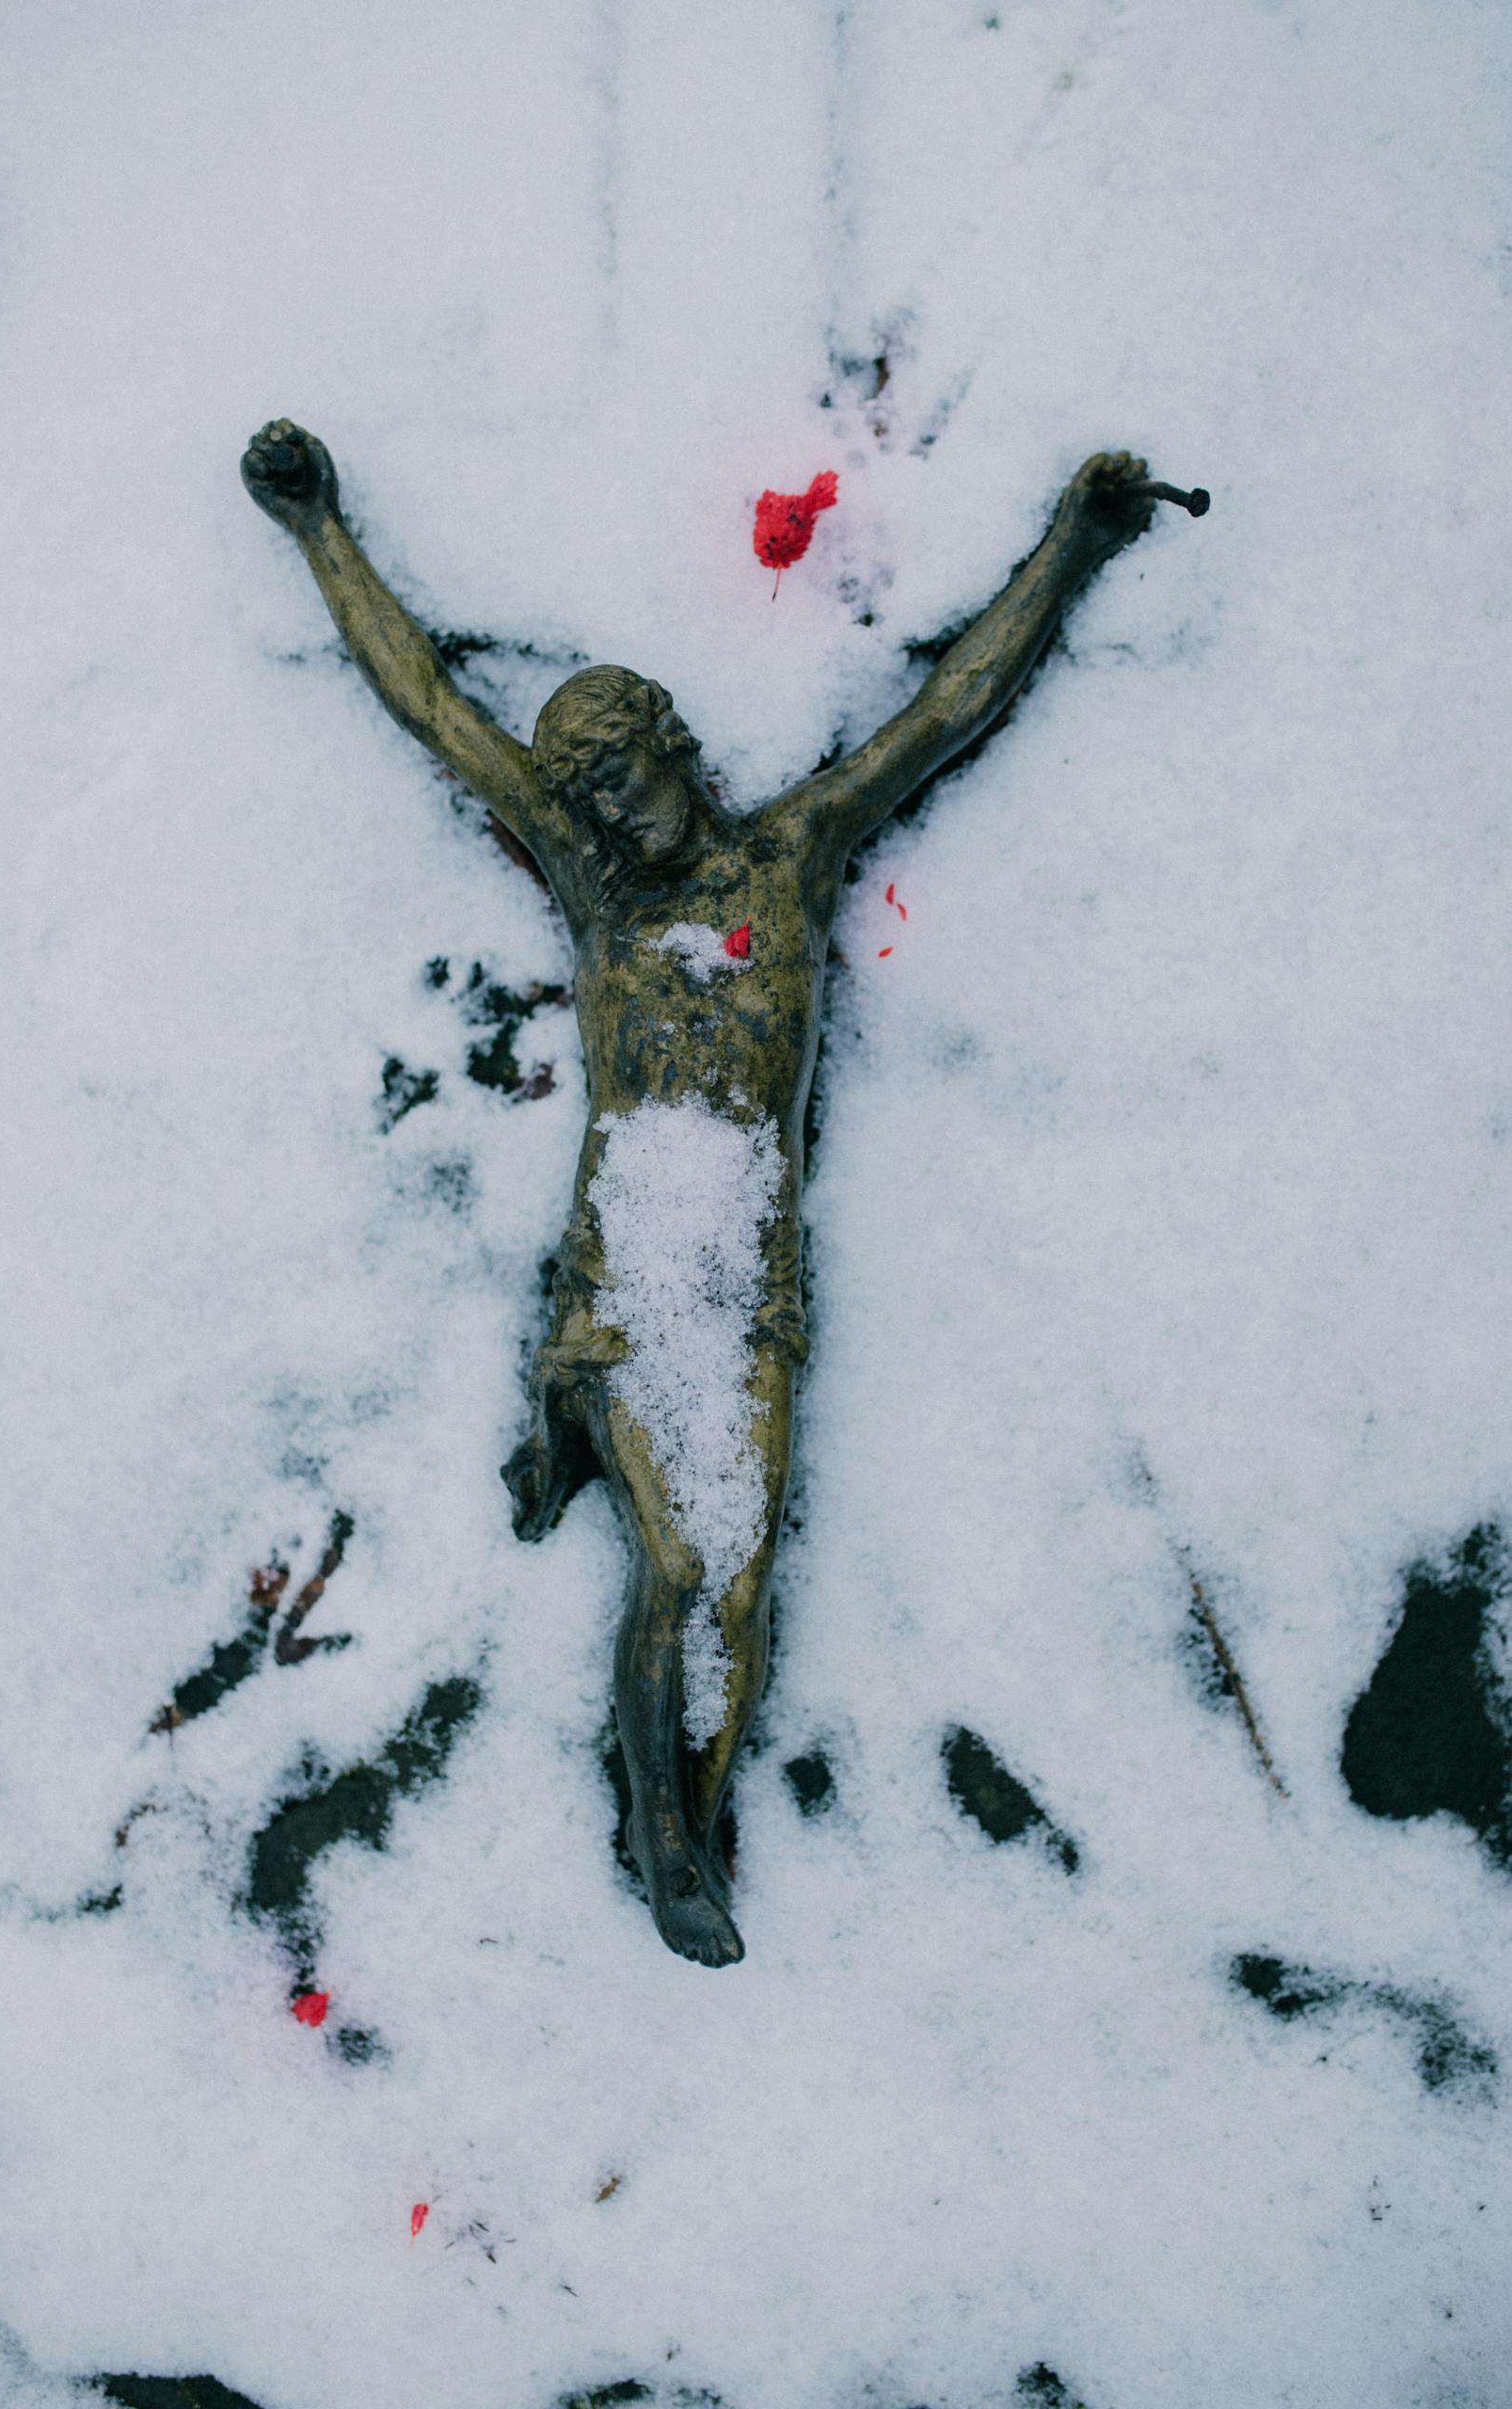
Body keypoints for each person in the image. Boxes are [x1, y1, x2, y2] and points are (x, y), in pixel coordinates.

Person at [242, 421, 1160, 1964]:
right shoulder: (603, 896)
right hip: (628, 1267)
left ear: (674, 749)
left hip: (747, 1282)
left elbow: (951, 706)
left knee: (734, 1589)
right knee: (679, 1571)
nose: (610, 813)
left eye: (621, 777)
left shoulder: (790, 859)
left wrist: (1079, 538)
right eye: (584, 799)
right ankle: (665, 1840)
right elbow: (433, 708)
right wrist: (314, 522)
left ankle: (688, 1817)